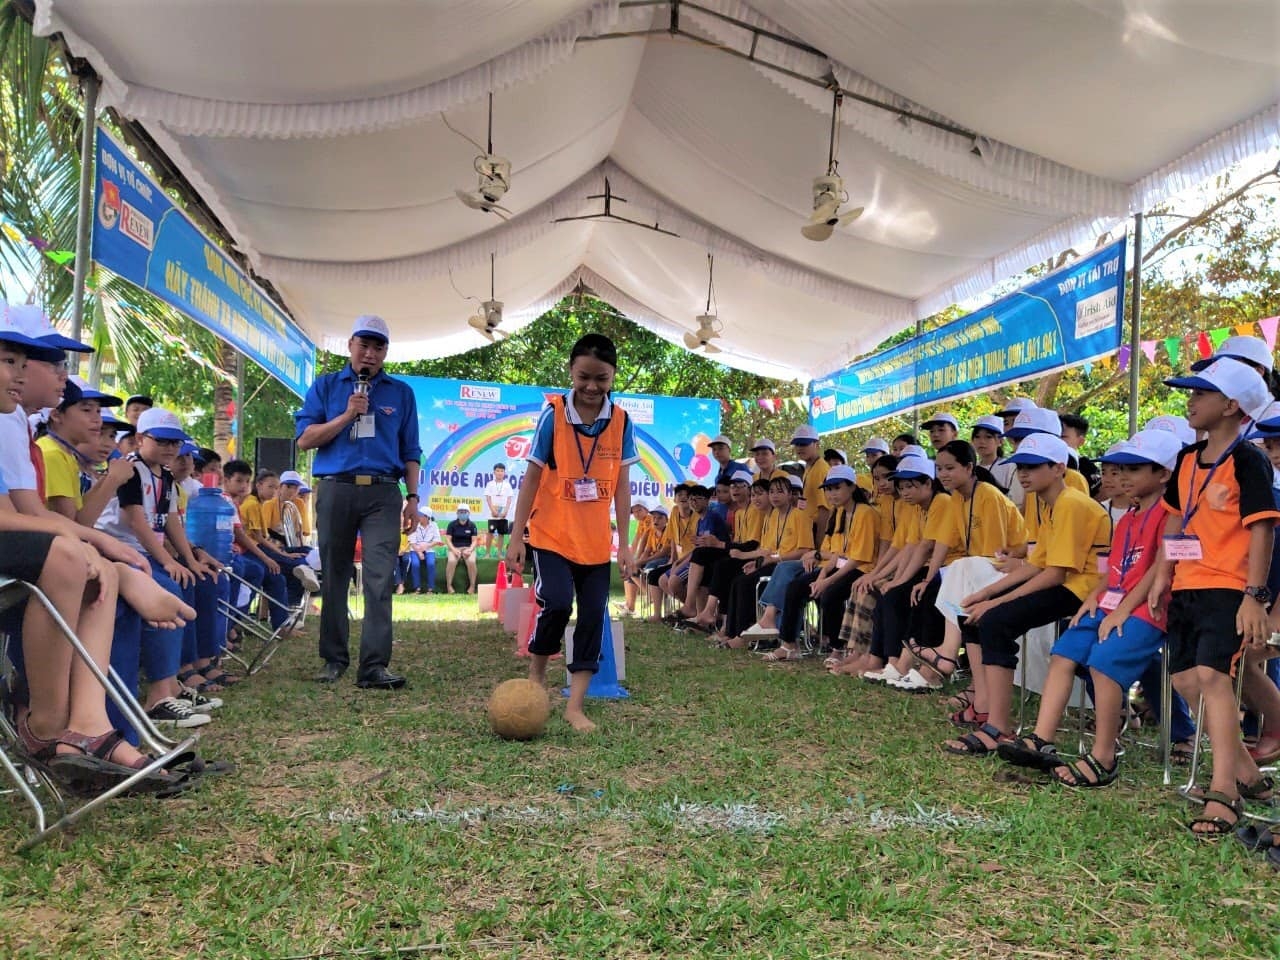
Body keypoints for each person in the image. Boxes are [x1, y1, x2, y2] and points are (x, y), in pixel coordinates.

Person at [998, 429, 1180, 785]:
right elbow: (1112, 570)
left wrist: (1122, 610)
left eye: (1134, 469)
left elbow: (1159, 569)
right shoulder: (1125, 519)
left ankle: (1104, 757)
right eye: (1118, 470)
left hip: (1149, 608)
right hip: (1112, 604)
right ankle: (1041, 739)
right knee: (1063, 653)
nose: (1122, 478)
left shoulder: (1167, 515)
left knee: (1104, 663)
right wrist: (1095, 598)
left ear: (1163, 475)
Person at [1148, 357, 1277, 837]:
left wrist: (1254, 595)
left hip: (1229, 587)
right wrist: (1163, 573)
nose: (1190, 400)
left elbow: (1262, 527)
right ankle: (1246, 773)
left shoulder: (1250, 458)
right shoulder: (1185, 458)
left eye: (1200, 393)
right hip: (1187, 585)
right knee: (1185, 681)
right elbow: (1176, 520)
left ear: (1231, 405)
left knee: (1213, 675)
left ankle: (1223, 791)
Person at [943, 433, 1111, 756]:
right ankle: (986, 708)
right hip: (1065, 584)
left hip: (1084, 591)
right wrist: (985, 593)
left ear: (1059, 468)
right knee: (975, 619)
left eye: (1033, 467)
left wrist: (995, 602)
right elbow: (1037, 564)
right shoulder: (1048, 503)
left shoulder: (1071, 503)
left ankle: (997, 726)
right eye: (1020, 467)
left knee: (996, 621)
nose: (1023, 474)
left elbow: (1055, 573)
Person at [505, 333, 637, 733]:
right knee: (558, 603)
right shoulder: (553, 415)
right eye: (584, 377)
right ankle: (536, 678)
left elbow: (623, 485)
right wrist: (516, 537)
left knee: (594, 616)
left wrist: (626, 544)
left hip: (596, 543)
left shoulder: (622, 420)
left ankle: (575, 706)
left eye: (602, 378)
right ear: (571, 372)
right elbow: (530, 478)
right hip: (551, 535)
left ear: (614, 376)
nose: (593, 387)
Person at [295, 314, 421, 690]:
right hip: (336, 488)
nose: (370, 353)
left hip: (384, 492)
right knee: (335, 574)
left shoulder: (401, 393)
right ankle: (333, 659)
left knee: (381, 577)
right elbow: (305, 439)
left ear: (385, 352)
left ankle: (374, 666)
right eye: (363, 344)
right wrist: (348, 414)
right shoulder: (326, 387)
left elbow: (411, 450)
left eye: (378, 346)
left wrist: (413, 498)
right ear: (350, 345)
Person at [403, 506, 442, 593]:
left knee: (431, 564)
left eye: (421, 515)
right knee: (415, 564)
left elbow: (437, 540)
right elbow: (412, 541)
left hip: (429, 549)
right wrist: (419, 552)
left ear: (427, 517)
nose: (418, 517)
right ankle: (417, 588)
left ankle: (430, 589)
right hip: (415, 548)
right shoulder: (414, 524)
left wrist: (427, 546)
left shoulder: (434, 525)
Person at [444, 506, 480, 593]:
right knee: (452, 561)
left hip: (468, 548)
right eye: (461, 511)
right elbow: (448, 539)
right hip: (454, 548)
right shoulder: (451, 524)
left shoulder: (472, 525)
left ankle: (472, 587)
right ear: (457, 513)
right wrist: (453, 550)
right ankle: (449, 586)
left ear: (469, 513)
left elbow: (474, 541)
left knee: (471, 561)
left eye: (465, 512)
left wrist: (470, 550)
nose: (463, 513)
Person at [483, 463, 513, 558]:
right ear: (494, 472)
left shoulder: (507, 485)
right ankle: (487, 553)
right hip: (493, 514)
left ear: (504, 473)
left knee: (501, 534)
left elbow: (509, 499)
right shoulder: (490, 484)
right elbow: (488, 498)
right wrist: (492, 510)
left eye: (502, 471)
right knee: (490, 533)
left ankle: (499, 553)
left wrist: (506, 511)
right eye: (498, 471)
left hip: (503, 514)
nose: (500, 473)